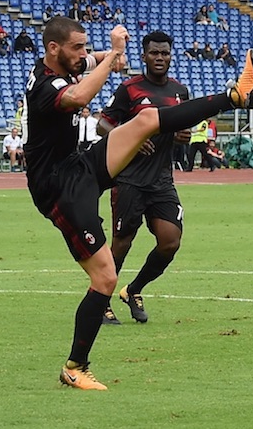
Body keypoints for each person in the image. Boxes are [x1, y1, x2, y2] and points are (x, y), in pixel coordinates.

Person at [23, 16, 253, 390]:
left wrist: (105, 57)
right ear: (53, 49)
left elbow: (95, 62)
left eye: (86, 47)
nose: (84, 54)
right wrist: (115, 53)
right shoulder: (45, 85)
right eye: (78, 48)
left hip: (77, 166)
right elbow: (80, 97)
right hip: (58, 189)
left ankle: (234, 97)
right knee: (104, 277)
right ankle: (75, 367)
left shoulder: (64, 61)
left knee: (147, 117)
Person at [97, 31, 193, 325]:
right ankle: (101, 301)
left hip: (162, 180)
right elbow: (103, 125)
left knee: (170, 242)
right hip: (130, 179)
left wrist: (182, 136)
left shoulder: (180, 91)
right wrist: (131, 140)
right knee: (122, 242)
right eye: (154, 53)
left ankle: (134, 289)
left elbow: (181, 131)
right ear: (144, 56)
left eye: (165, 53)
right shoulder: (130, 89)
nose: (160, 58)